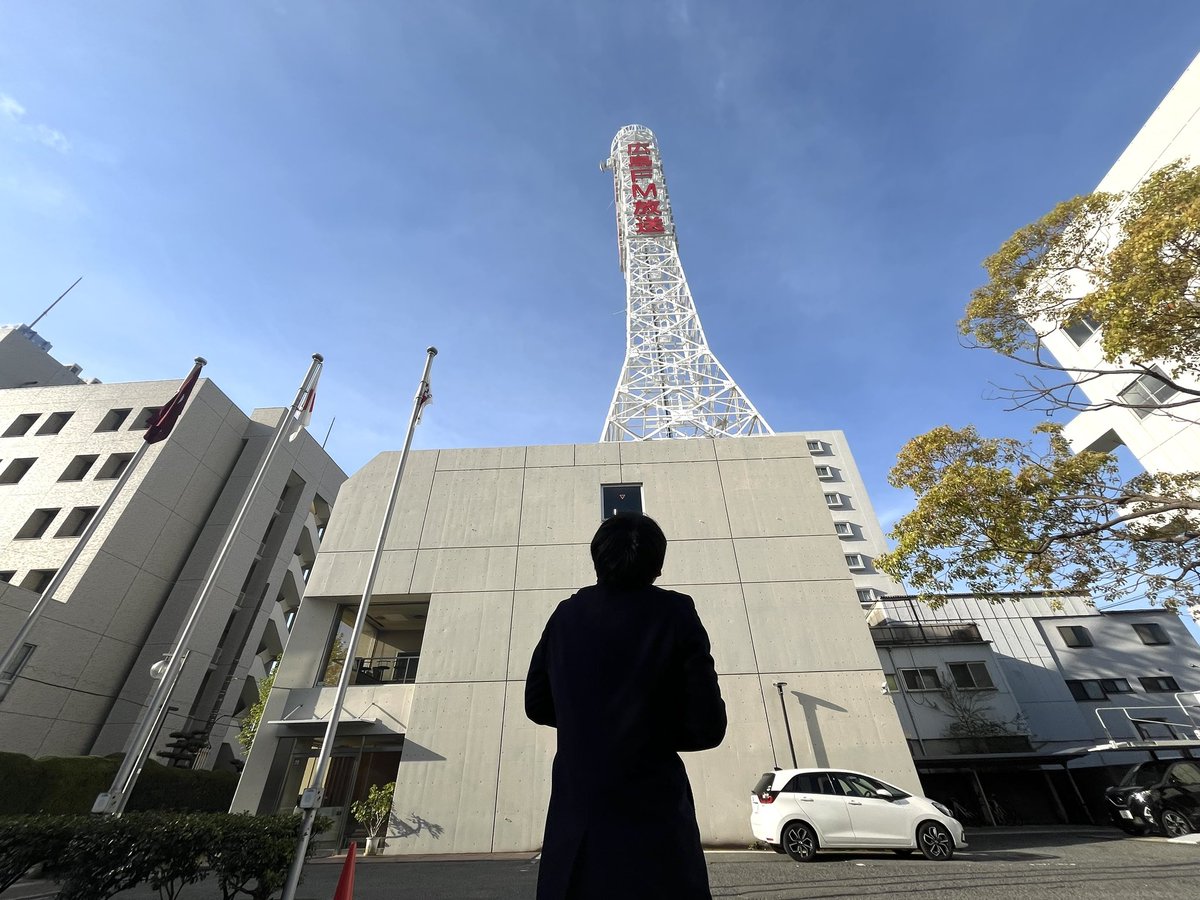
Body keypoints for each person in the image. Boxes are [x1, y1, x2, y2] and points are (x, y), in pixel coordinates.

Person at [525, 512, 727, 899]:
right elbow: (708, 727)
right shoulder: (676, 612)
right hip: (656, 825)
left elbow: (536, 703)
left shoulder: (565, 616)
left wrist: (588, 725)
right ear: (658, 566)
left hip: (577, 822)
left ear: (597, 559)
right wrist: (642, 732)